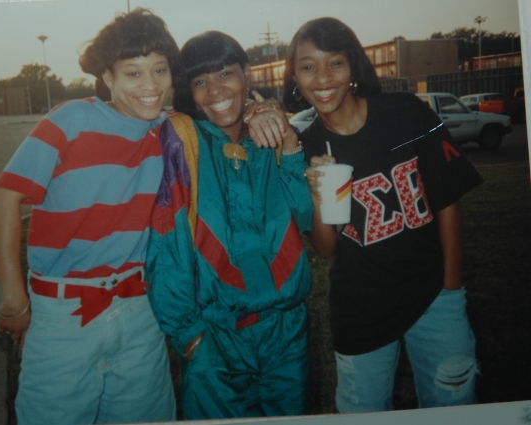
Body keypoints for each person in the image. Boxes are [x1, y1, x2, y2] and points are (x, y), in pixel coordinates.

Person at [282, 17, 483, 412]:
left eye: (334, 62)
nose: (322, 77)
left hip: (432, 295)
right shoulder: (304, 149)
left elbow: (447, 204)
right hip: (361, 310)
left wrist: (451, 291)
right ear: (295, 77)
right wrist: (321, 193)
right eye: (308, 66)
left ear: (354, 66)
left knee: (455, 408)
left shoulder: (407, 114)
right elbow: (326, 250)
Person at [0, 8, 177, 425]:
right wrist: (16, 300)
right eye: (134, 73)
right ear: (108, 77)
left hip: (137, 311)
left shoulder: (169, 133)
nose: (150, 85)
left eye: (159, 70)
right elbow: (4, 197)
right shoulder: (72, 119)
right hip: (62, 317)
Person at [146, 31, 314, 419]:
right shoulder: (183, 143)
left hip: (286, 333)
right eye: (200, 81)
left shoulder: (271, 133)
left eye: (225, 74)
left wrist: (288, 140)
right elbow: (166, 243)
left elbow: (306, 217)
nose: (215, 90)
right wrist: (187, 333)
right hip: (216, 338)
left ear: (247, 74)